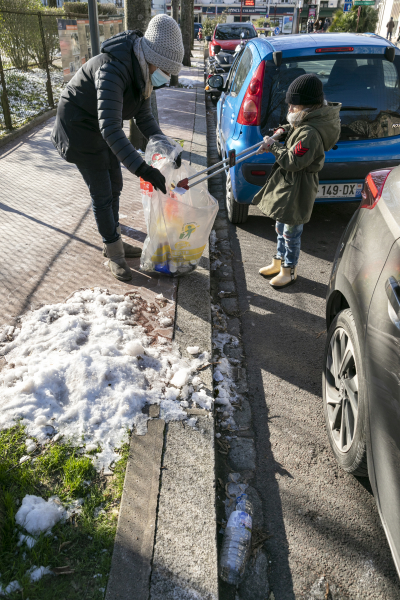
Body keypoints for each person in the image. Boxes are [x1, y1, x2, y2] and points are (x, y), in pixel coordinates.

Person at [51, 15, 184, 282]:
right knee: (102, 191)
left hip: (100, 126)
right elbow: (111, 129)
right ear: (153, 57)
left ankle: (114, 239)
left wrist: (168, 148)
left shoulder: (143, 73)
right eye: (166, 71)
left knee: (116, 183)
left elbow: (144, 118)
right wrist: (143, 169)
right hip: (78, 128)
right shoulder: (114, 68)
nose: (166, 78)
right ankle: (114, 252)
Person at [254, 74, 341, 288]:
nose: (290, 108)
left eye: (294, 104)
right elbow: (290, 127)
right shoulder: (306, 119)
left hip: (299, 186)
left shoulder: (310, 133)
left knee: (291, 232)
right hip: (289, 184)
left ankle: (289, 269)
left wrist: (272, 146)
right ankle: (278, 261)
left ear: (306, 106)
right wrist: (279, 133)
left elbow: (293, 161)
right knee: (280, 226)